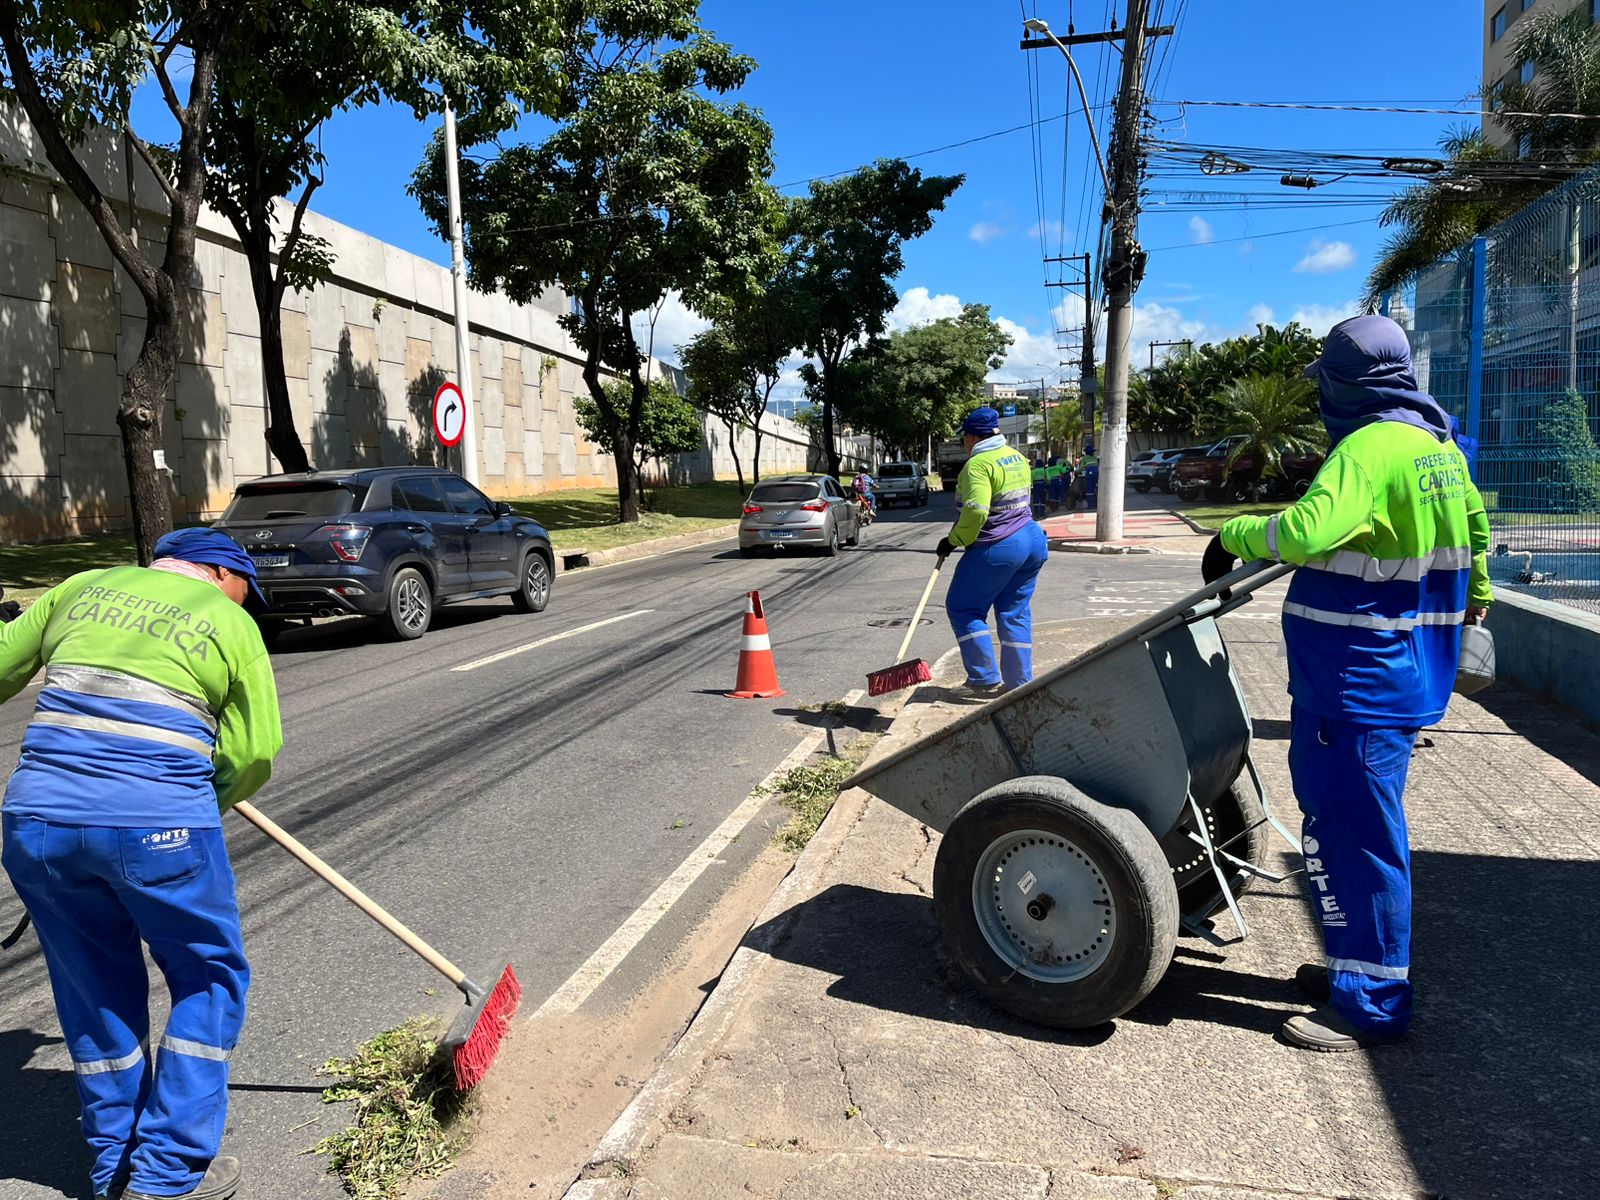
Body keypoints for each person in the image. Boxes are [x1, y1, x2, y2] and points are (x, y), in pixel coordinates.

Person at [1202, 314, 1492, 1052]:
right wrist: (1471, 599)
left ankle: (1371, 999)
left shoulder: (1367, 448)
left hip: (1357, 678)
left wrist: (1233, 534)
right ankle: (1356, 966)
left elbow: (1303, 532)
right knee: (1359, 828)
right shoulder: (1437, 447)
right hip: (1405, 672)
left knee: (1352, 834)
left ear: (1343, 383)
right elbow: (1479, 539)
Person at [1, 529, 284, 1200]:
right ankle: (163, 1177)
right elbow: (255, 753)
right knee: (207, 977)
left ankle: (113, 1168)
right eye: (249, 591)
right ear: (221, 574)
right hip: (158, 823)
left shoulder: (78, 588)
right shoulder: (227, 621)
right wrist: (192, 797)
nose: (250, 605)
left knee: (92, 990)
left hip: (36, 822)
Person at [937, 407, 1049, 696]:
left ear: (973, 436)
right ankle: (1019, 682)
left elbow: (975, 512)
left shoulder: (978, 466)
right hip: (1032, 539)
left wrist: (953, 540)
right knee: (1014, 612)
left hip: (1000, 545)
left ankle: (984, 678)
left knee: (964, 608)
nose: (964, 441)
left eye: (965, 436)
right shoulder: (1017, 458)